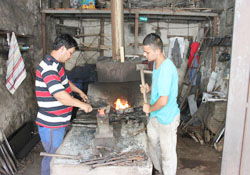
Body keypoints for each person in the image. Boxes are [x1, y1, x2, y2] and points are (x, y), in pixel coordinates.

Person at [35, 34, 93, 175]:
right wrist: (82, 105)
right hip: (51, 125)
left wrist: (79, 92)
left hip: (57, 123)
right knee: (53, 158)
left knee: (55, 155)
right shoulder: (49, 68)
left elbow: (65, 82)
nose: (70, 57)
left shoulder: (56, 65)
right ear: (62, 48)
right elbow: (60, 95)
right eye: (70, 53)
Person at [140, 33, 180, 175]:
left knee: (167, 154)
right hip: (155, 116)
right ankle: (159, 171)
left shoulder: (166, 69)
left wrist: (149, 108)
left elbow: (163, 101)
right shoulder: (157, 64)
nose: (145, 54)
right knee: (152, 145)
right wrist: (148, 88)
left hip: (167, 118)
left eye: (147, 52)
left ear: (158, 51)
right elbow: (159, 87)